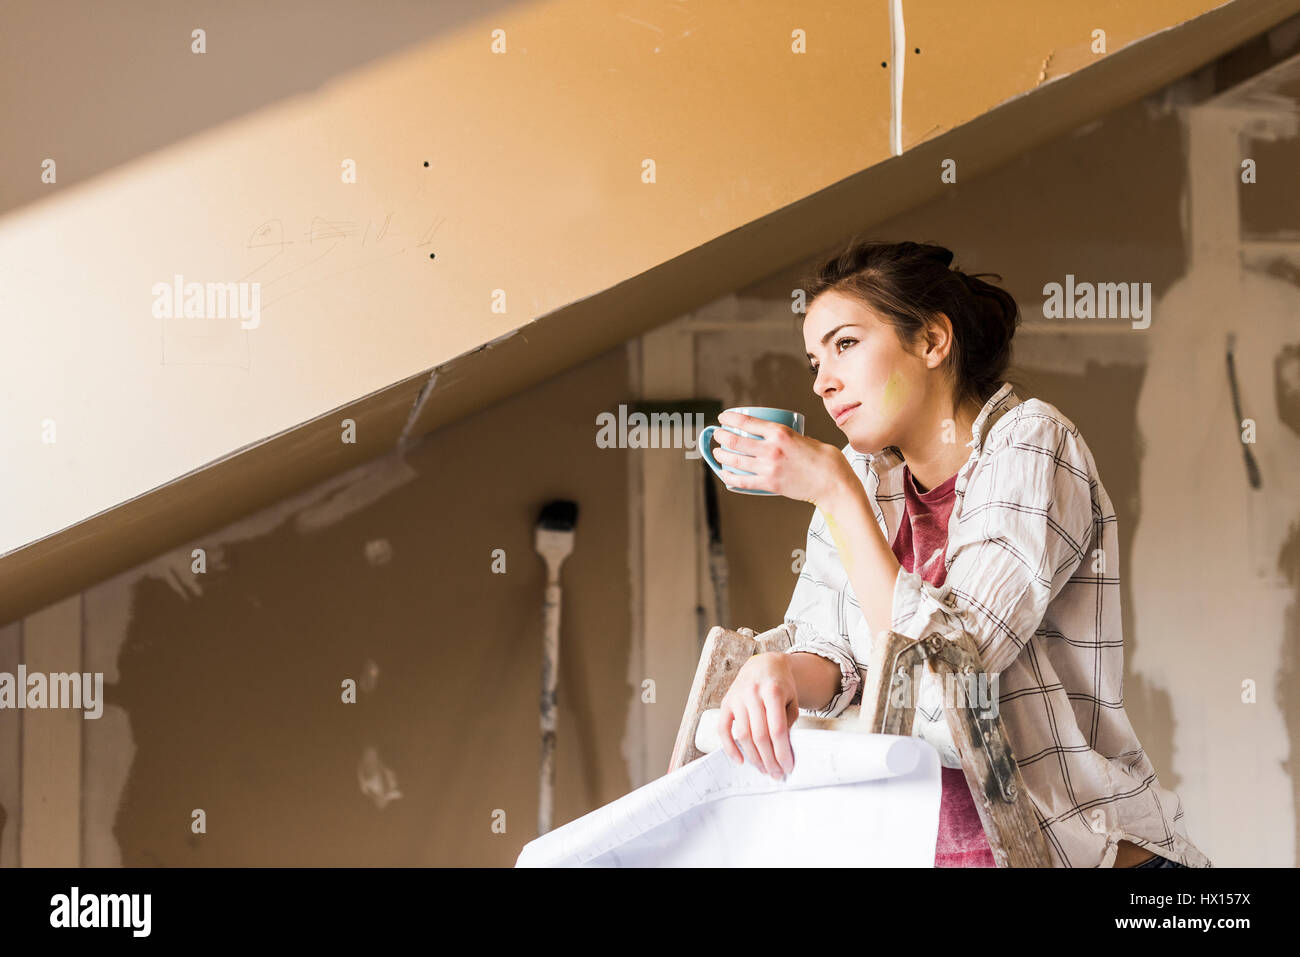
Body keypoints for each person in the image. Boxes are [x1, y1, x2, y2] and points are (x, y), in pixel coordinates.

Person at [711, 239, 1211, 868]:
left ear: (931, 342)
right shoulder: (865, 481)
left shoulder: (1032, 442)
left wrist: (835, 494)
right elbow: (841, 657)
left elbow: (955, 661)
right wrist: (782, 670)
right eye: (813, 360)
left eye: (845, 344)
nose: (822, 382)